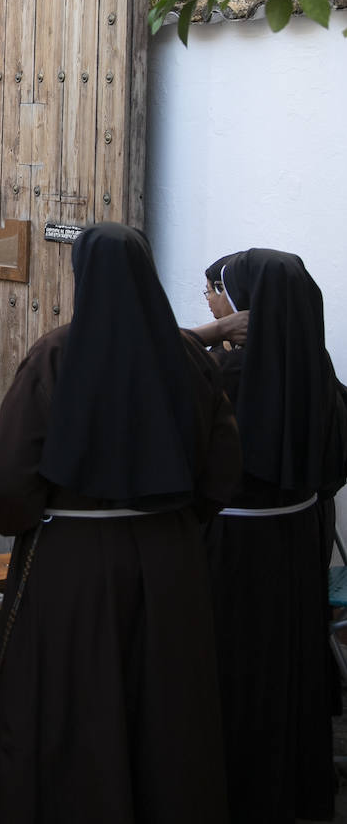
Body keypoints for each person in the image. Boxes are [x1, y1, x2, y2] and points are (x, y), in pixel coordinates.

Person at [0, 222, 241, 824]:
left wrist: (30, 517)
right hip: (169, 557)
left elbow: (10, 479)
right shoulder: (188, 358)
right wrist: (170, 523)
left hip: (71, 563)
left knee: (71, 695)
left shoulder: (55, 354)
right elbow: (222, 469)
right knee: (164, 704)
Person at [199, 247, 347, 824]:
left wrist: (211, 336)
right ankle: (292, 785)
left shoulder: (221, 377)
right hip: (297, 538)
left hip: (232, 548)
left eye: (217, 292)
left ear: (242, 306)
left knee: (235, 665)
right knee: (288, 662)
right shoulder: (319, 371)